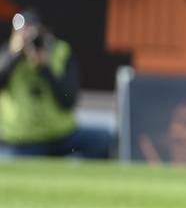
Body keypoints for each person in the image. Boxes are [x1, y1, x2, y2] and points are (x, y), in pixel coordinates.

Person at [0, 10, 111, 158]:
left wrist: (45, 68)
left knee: (102, 140)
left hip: (61, 136)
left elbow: (68, 100)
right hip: (23, 140)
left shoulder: (60, 51)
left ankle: (74, 167)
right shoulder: (7, 54)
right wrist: (15, 54)